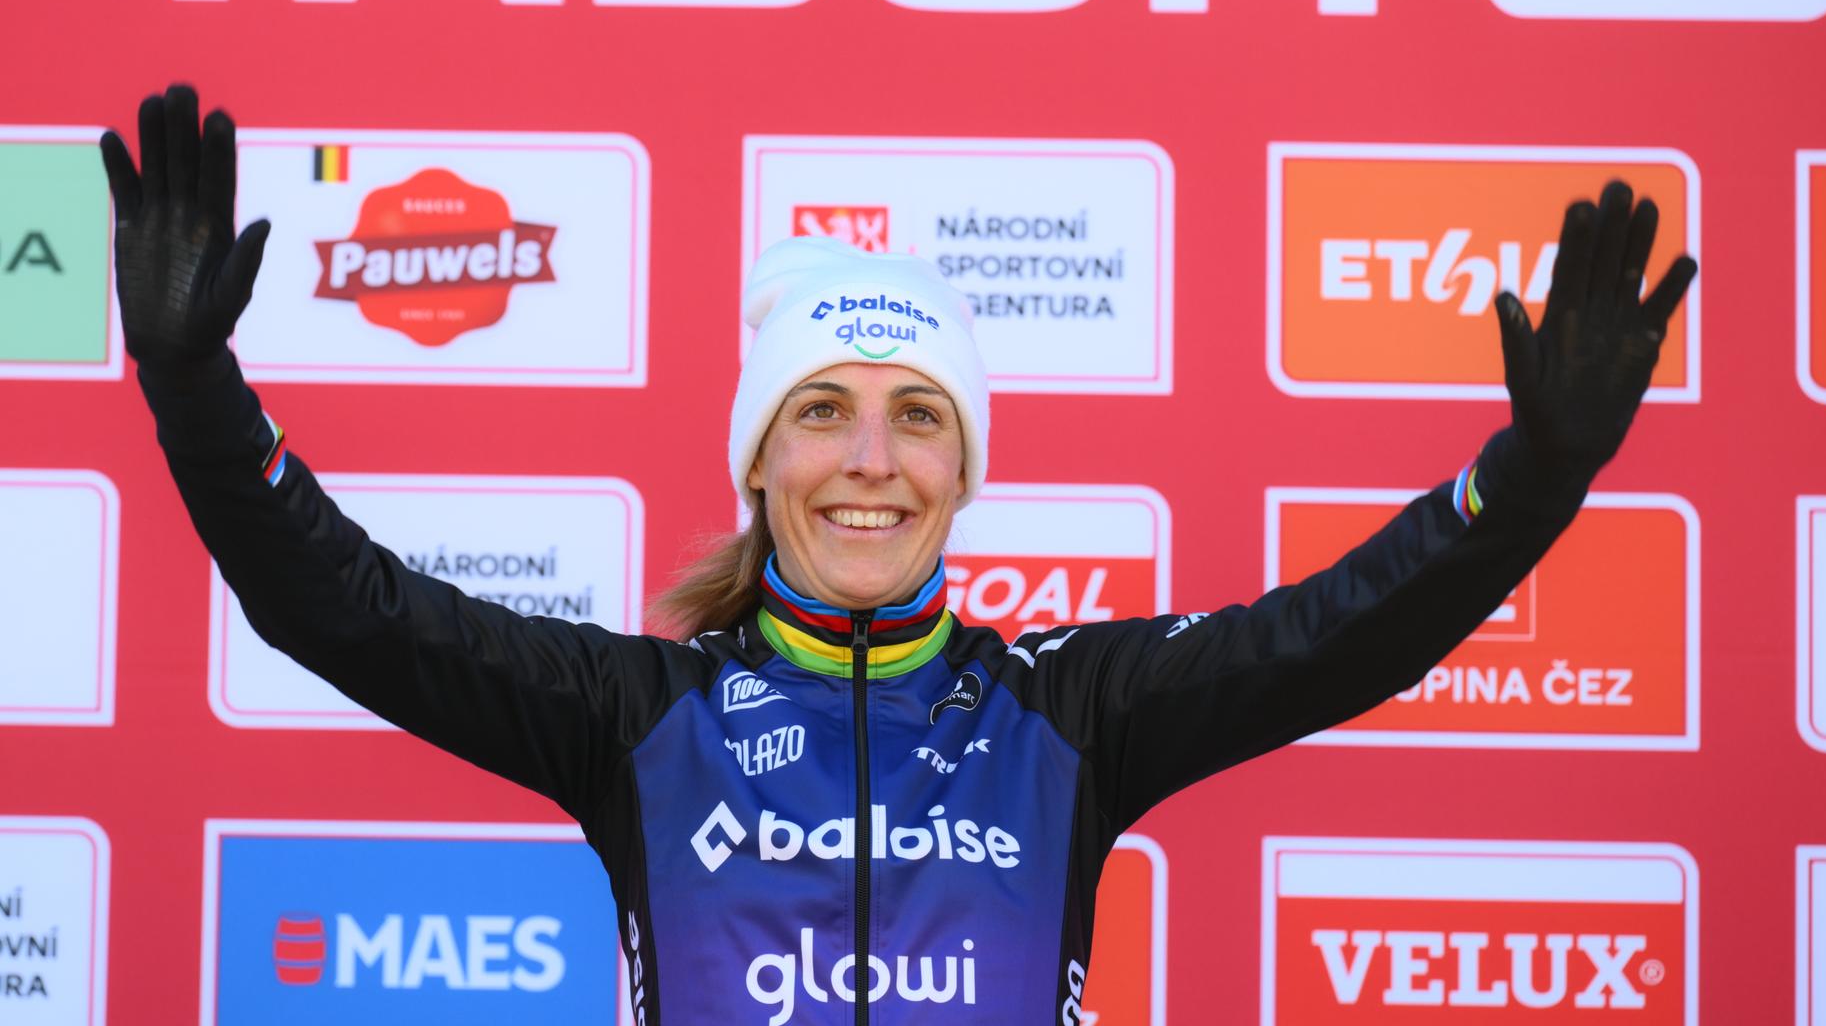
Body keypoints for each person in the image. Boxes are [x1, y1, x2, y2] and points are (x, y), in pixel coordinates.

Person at [102, 84, 1695, 1024]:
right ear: (758, 462)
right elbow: (339, 608)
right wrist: (193, 389)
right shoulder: (636, 716)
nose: (870, 460)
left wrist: (1533, 479)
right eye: (823, 413)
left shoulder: (1069, 713)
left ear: (962, 471)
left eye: (918, 416)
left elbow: (1348, 632)